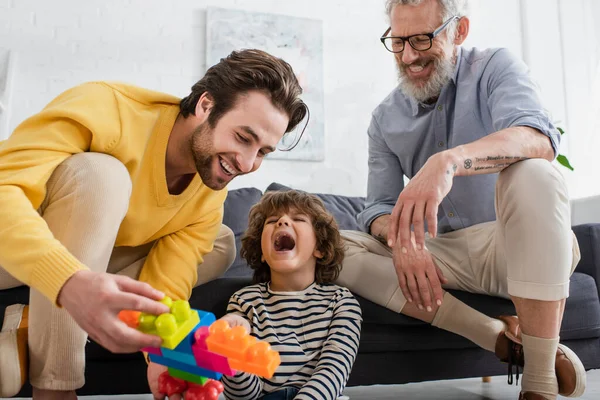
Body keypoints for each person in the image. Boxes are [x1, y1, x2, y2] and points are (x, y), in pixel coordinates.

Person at [0, 49, 308, 400]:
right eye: (243, 138)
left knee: (221, 243)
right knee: (102, 175)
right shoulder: (107, 108)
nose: (248, 163)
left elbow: (168, 283)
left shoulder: (209, 193)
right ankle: (55, 388)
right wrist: (69, 282)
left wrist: (165, 354)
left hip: (83, 258)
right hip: (10, 247)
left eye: (263, 152)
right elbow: (4, 193)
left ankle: (35, 315)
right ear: (206, 105)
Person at [337, 1, 586, 399]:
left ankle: (539, 383)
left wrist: (450, 161)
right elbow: (377, 207)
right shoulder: (384, 119)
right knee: (332, 248)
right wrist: (405, 240)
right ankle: (496, 337)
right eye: (398, 41)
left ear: (460, 30)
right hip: (446, 255)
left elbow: (538, 138)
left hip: (513, 244)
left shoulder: (493, 67)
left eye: (422, 39)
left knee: (535, 171)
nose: (409, 56)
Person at [217, 190, 362, 400]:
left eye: (298, 219)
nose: (282, 222)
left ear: (320, 247)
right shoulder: (244, 302)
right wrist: (234, 357)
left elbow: (334, 371)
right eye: (273, 220)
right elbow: (244, 396)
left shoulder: (341, 302)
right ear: (262, 250)